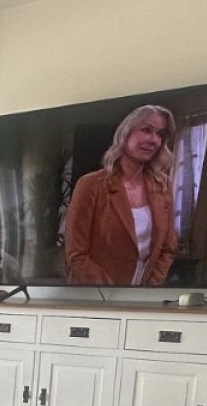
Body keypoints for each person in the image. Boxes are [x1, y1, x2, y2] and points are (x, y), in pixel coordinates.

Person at [62, 105, 179, 286]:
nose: (153, 140)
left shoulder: (163, 187)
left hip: (142, 298)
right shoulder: (91, 185)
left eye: (160, 134)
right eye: (146, 130)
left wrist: (149, 289)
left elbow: (168, 248)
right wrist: (113, 293)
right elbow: (76, 254)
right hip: (94, 295)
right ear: (126, 133)